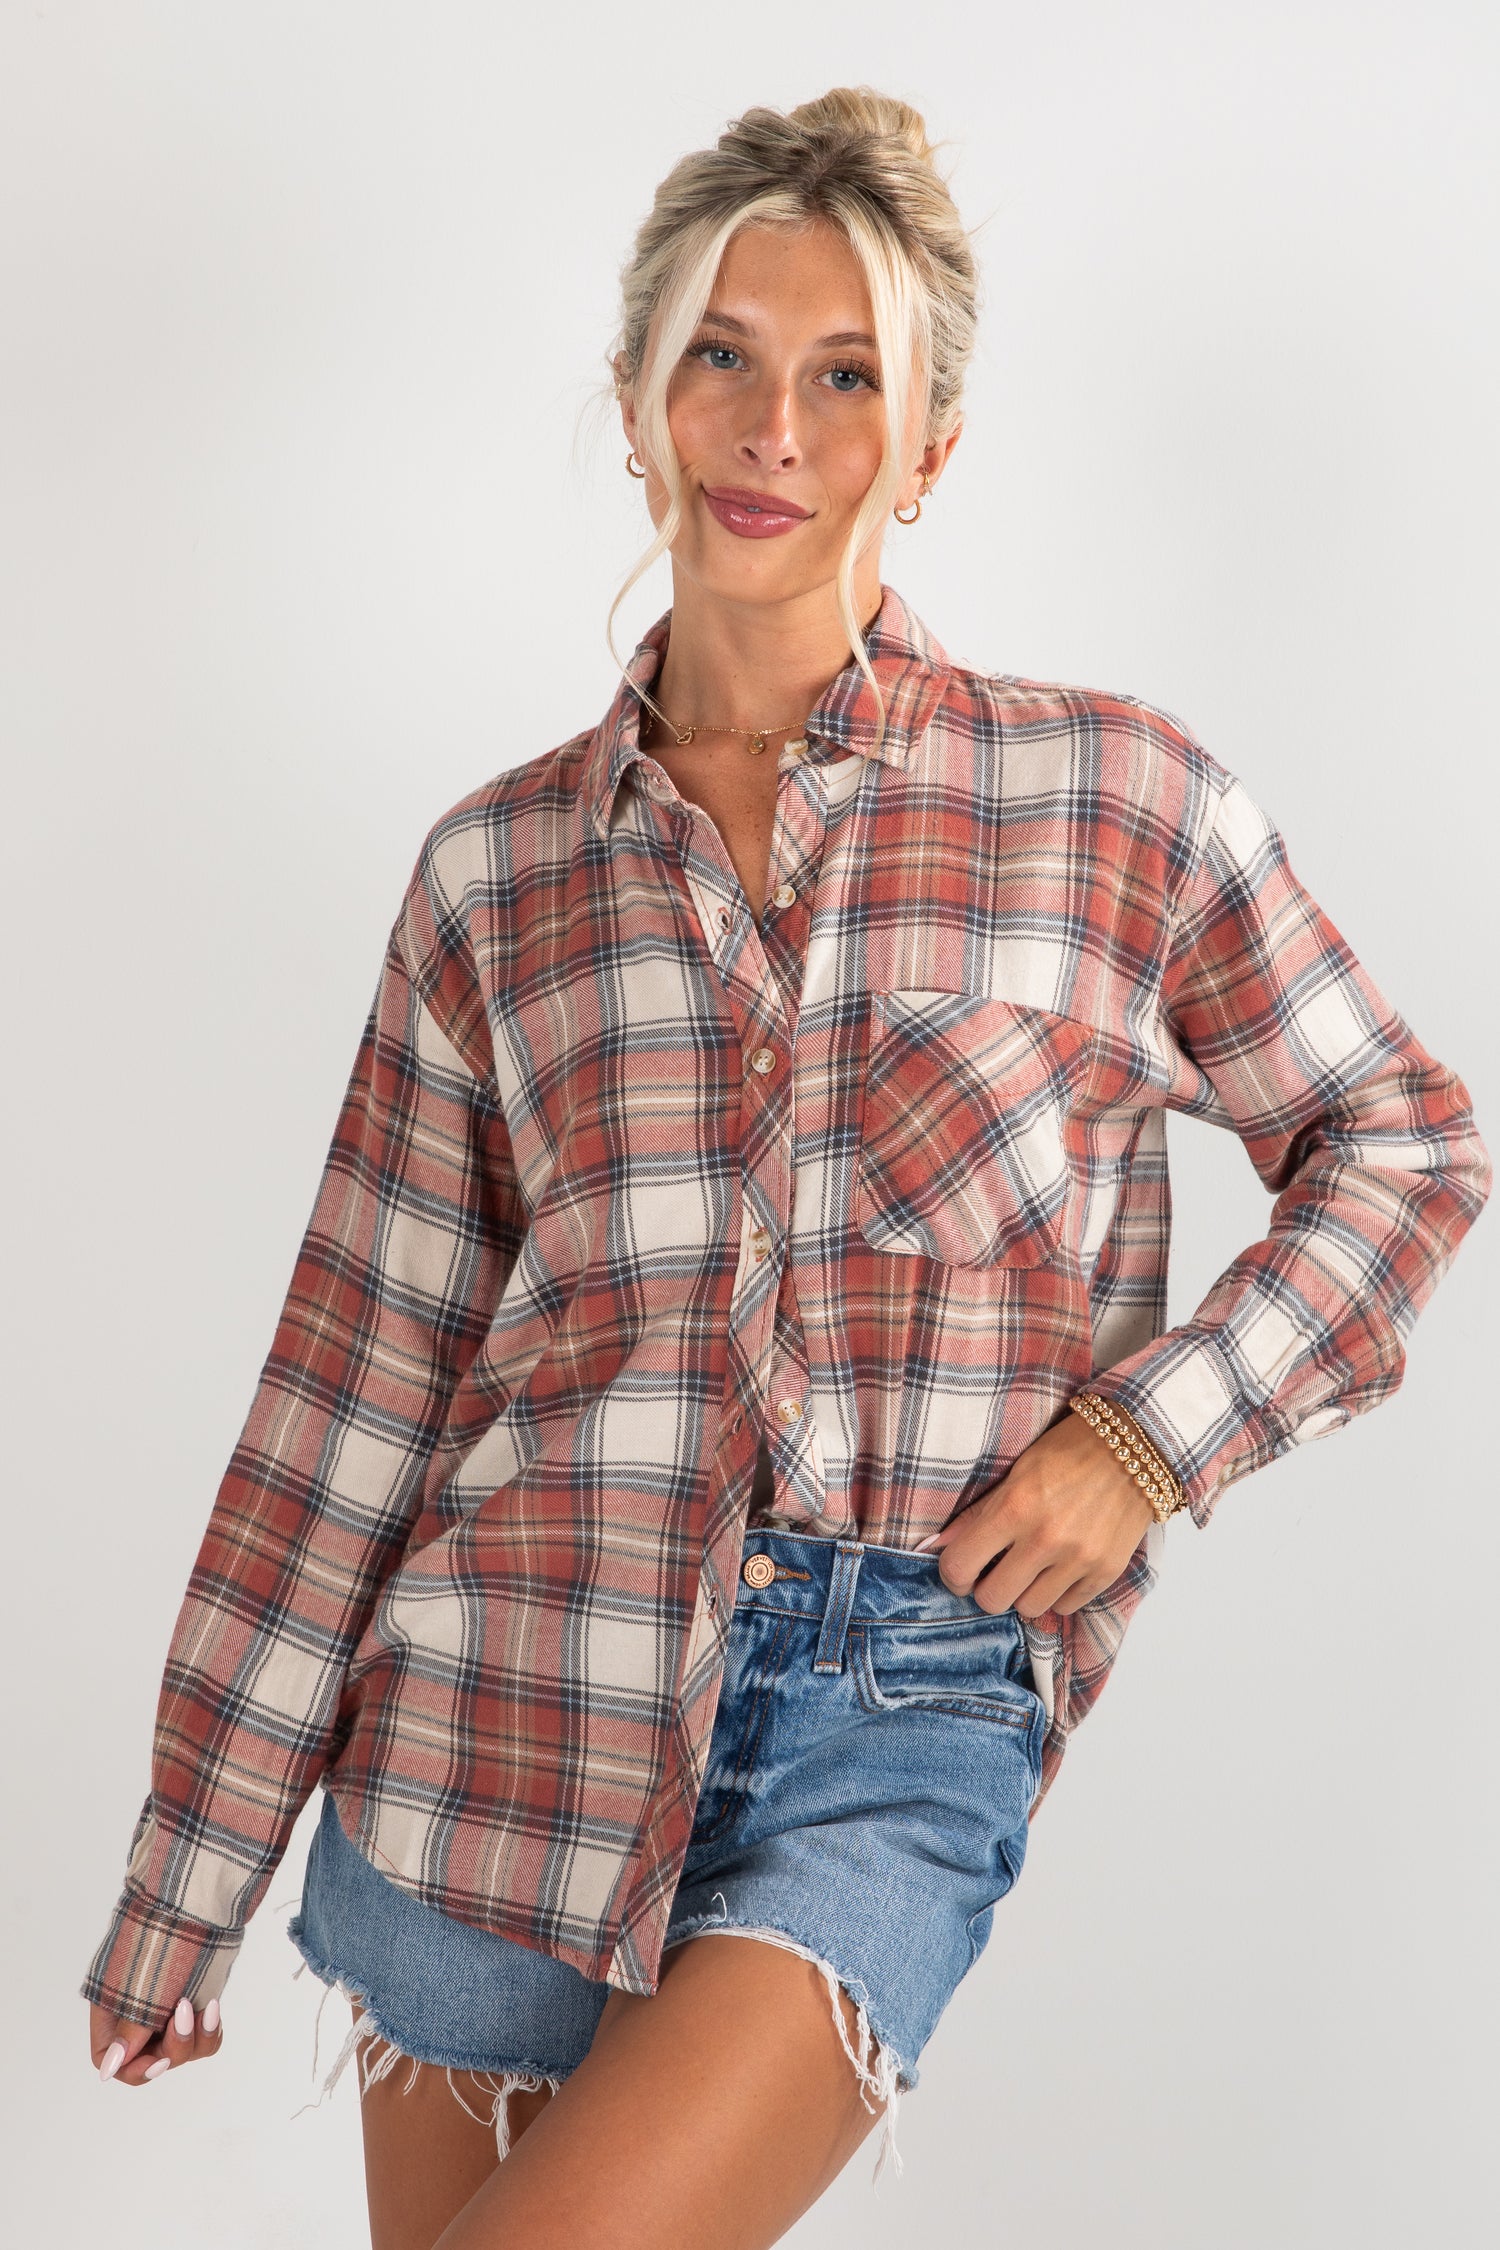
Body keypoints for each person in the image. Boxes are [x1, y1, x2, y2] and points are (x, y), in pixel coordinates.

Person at [81, 84, 1490, 2250]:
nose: (773, 423)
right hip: (495, 1726)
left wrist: (1148, 1438)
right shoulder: (497, 874)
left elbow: (1398, 1137)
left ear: (927, 452)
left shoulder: (1113, 808)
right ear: (638, 406)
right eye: (722, 356)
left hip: (897, 1714)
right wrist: (193, 1867)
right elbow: (352, 1401)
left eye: (849, 377)